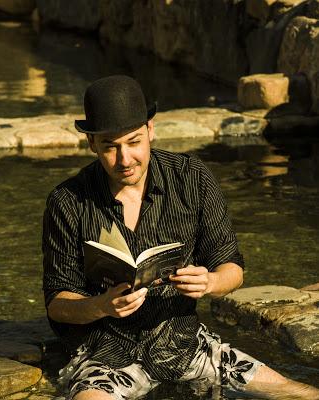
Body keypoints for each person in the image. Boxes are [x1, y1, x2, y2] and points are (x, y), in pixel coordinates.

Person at [43, 75, 319, 400]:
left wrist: (210, 282)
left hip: (186, 344)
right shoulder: (67, 201)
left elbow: (233, 270)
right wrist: (101, 306)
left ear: (150, 129)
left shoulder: (192, 179)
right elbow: (58, 304)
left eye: (134, 142)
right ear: (92, 144)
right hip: (104, 353)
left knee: (297, 393)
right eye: (110, 147)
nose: (125, 159)